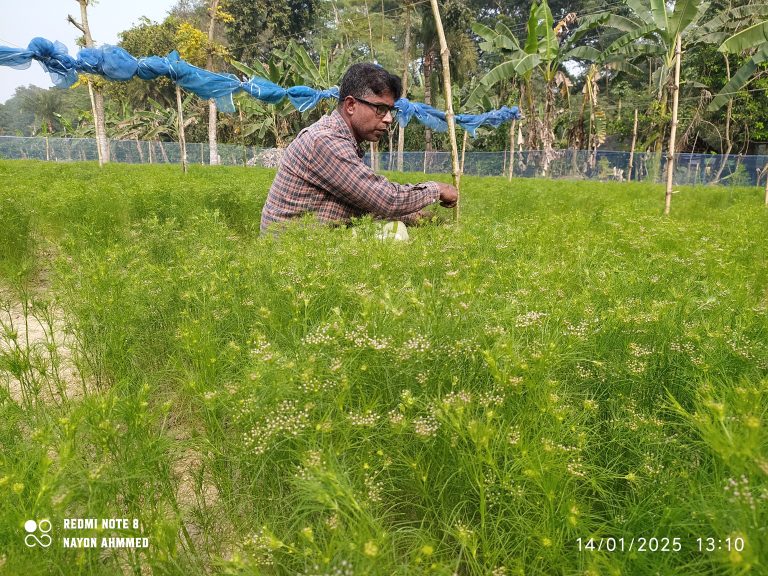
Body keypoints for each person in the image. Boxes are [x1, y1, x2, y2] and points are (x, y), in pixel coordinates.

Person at [260, 62, 458, 234]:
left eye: (391, 110)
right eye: (380, 109)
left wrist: (417, 216)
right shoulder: (325, 142)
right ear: (351, 105)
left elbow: (364, 204)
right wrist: (437, 189)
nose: (389, 119)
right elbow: (387, 200)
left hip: (308, 245)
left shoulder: (341, 141)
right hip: (292, 256)